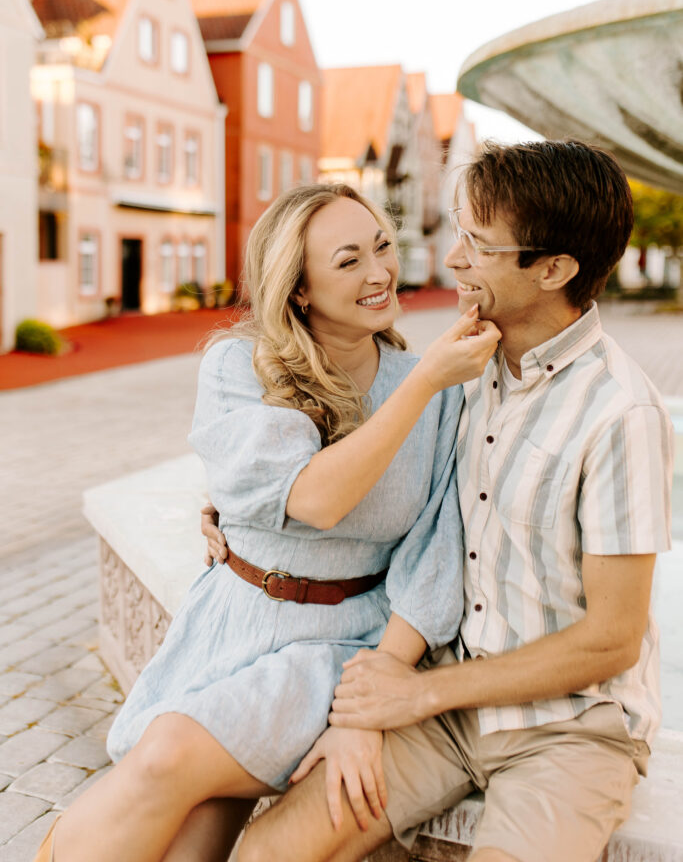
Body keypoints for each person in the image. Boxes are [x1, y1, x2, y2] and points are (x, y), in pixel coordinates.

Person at [231, 140, 674, 862]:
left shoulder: (620, 413)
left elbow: (612, 639)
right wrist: (235, 519)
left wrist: (416, 695)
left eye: (477, 243)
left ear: (554, 269)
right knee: (266, 852)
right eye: (457, 231)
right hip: (445, 704)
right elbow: (351, 480)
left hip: (569, 726)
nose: (454, 258)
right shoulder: (464, 367)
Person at [33, 183, 500, 862]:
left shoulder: (432, 385)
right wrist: (421, 384)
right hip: (234, 618)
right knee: (192, 836)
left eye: (380, 248)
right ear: (300, 288)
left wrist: (422, 381)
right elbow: (307, 495)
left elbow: (433, 553)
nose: (377, 273)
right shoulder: (239, 364)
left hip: (338, 644)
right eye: (347, 261)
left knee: (166, 758)